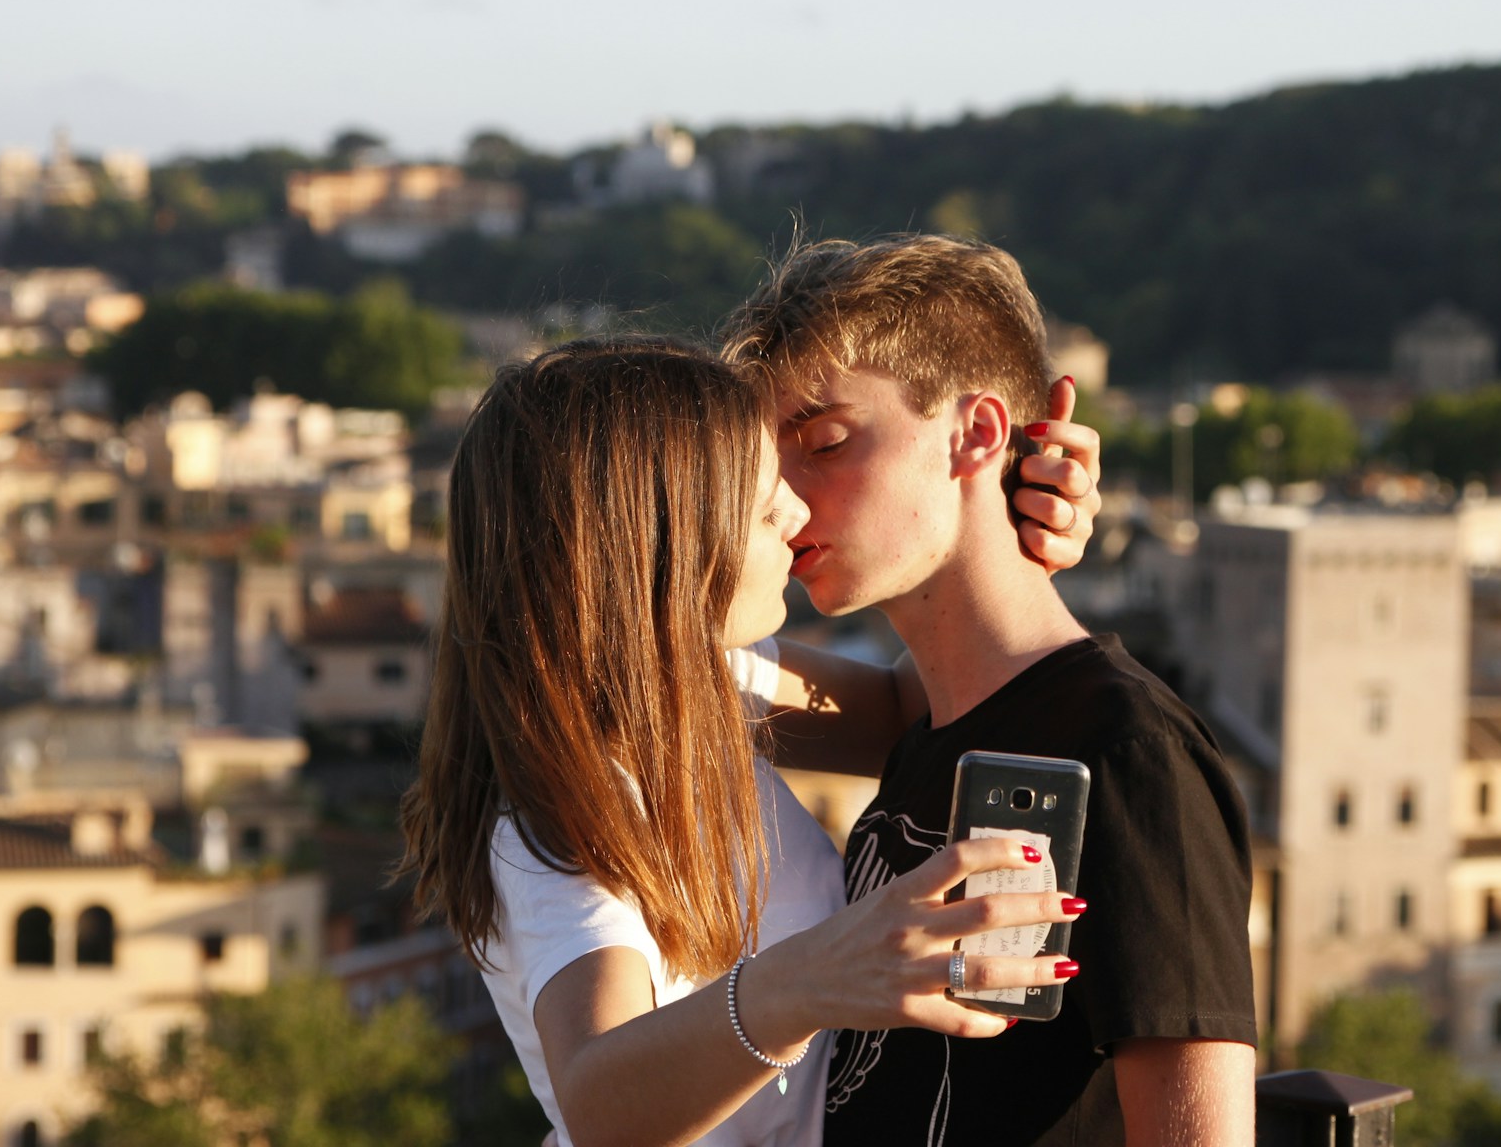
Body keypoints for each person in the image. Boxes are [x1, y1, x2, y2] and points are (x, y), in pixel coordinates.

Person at [397, 337, 1102, 1147]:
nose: (798, 514)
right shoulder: (562, 819)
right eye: (767, 506)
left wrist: (1003, 527)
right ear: (660, 549)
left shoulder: (711, 683)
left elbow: (918, 702)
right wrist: (814, 980)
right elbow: (598, 1097)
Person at [722, 236, 1259, 1147]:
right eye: (771, 463)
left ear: (975, 433)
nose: (786, 499)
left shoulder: (1126, 749)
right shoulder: (930, 720)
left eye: (824, 442)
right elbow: (660, 678)